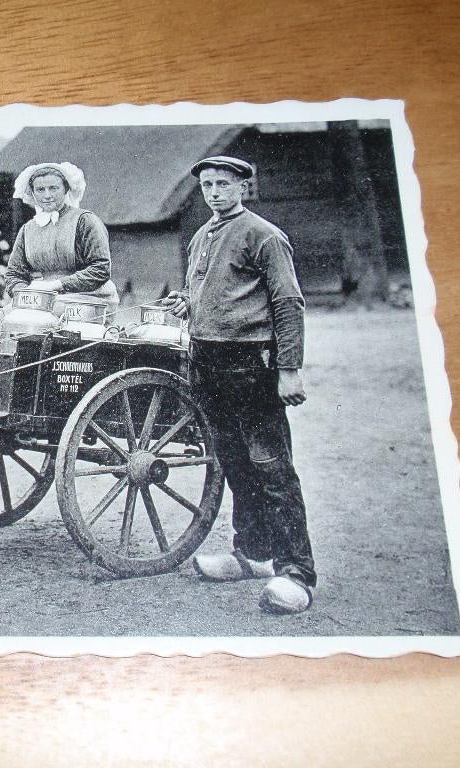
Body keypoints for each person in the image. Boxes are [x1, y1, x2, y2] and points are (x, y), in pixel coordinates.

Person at [163, 155, 316, 615]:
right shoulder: (201, 236)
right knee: (234, 462)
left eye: (223, 184)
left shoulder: (264, 235)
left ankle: (297, 573)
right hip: (207, 362)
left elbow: (288, 302)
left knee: (270, 465)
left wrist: (289, 368)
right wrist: (185, 302)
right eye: (207, 185)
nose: (214, 192)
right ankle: (252, 553)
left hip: (250, 363)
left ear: (243, 187)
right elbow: (207, 291)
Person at [4, 162, 119, 313]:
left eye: (53, 188)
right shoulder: (28, 229)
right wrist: (25, 292)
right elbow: (14, 273)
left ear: (66, 189)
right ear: (32, 193)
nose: (47, 195)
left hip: (90, 296)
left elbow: (100, 269)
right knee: (5, 315)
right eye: (40, 189)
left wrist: (56, 285)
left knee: (44, 314)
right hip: (43, 297)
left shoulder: (85, 221)